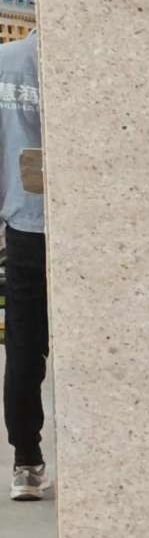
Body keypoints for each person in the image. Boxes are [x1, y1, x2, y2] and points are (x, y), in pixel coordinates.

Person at [0, 26, 47, 501]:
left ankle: (26, 462)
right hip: (91, 230)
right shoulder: (97, 54)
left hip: (27, 225)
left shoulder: (6, 62)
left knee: (25, 347)